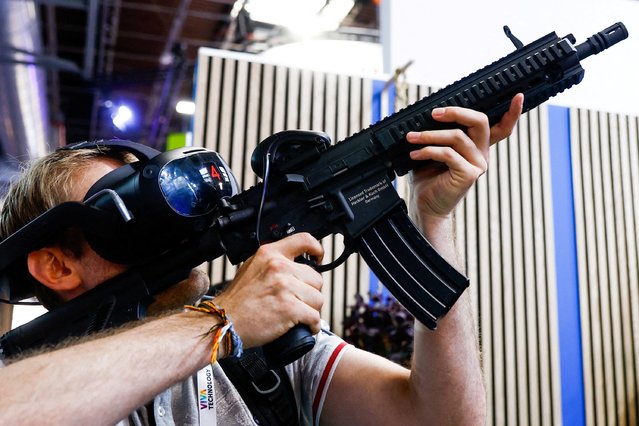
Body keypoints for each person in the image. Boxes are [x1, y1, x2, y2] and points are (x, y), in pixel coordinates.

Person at [0, 94, 524, 426]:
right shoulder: (22, 378)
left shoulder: (259, 358)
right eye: (129, 206)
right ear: (57, 265)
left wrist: (432, 219)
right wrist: (220, 320)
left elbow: (443, 421)